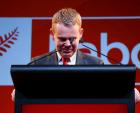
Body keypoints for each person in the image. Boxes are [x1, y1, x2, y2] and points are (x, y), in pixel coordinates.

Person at [11, 8, 140, 102]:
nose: (67, 44)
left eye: (72, 39)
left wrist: (126, 93)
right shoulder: (37, 64)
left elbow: (104, 96)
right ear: (52, 34)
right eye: (62, 39)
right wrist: (21, 93)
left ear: (81, 34)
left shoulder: (95, 64)